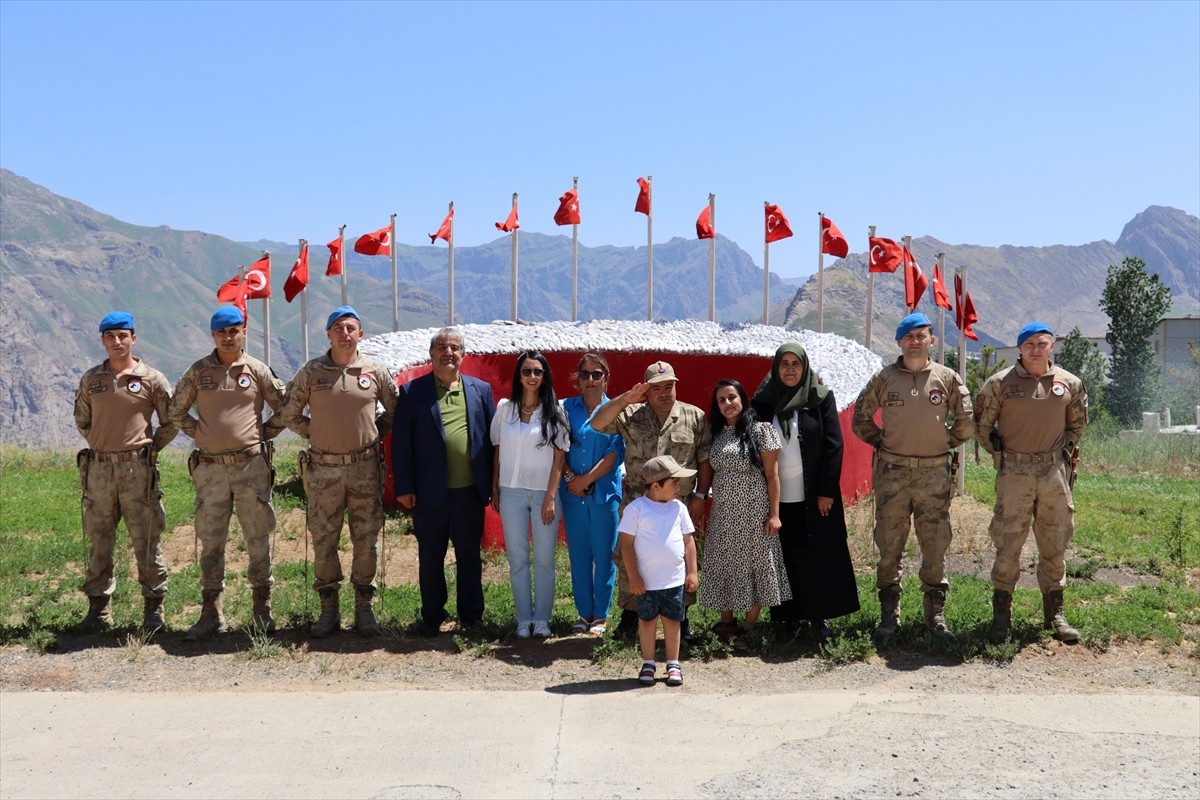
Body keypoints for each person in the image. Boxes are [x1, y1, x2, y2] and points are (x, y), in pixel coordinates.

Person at [852, 313, 974, 643]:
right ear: (899, 342)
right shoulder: (885, 378)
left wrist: (944, 441)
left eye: (922, 335)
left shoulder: (947, 378)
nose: (915, 340)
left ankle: (935, 616)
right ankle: (889, 616)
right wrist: (882, 441)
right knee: (889, 545)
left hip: (934, 474)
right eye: (909, 336)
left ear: (932, 340)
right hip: (892, 474)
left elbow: (967, 421)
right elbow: (860, 418)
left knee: (934, 545)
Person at [168, 305, 287, 639]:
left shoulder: (258, 370)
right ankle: (210, 613)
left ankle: (262, 609)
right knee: (211, 540)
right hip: (211, 470)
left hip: (251, 466)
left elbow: (285, 407)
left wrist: (264, 432)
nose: (228, 337)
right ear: (213, 336)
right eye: (221, 332)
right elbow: (175, 409)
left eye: (233, 330)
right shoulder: (199, 372)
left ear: (243, 331)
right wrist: (200, 433)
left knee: (257, 537)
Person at [280, 306, 398, 638]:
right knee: (324, 540)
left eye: (351, 328)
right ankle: (328, 610)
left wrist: (374, 432)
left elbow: (395, 409)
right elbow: (290, 413)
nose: (345, 333)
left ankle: (364, 608)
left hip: (364, 469)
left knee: (366, 540)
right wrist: (314, 434)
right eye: (338, 328)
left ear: (360, 334)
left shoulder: (374, 371)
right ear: (329, 334)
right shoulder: (312, 372)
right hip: (324, 471)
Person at [976, 321, 1088, 643]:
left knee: (1055, 543)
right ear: (1020, 348)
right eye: (1030, 344)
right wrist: (1004, 455)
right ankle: (1001, 616)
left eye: (1043, 343)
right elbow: (983, 426)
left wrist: (1057, 455)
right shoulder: (1000, 384)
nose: (1036, 349)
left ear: (1051, 346)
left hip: (1054, 474)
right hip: (1014, 473)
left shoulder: (1069, 383)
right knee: (1008, 543)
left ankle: (1055, 614)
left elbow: (1077, 425)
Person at [589, 360, 712, 642]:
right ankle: (631, 617)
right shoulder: (631, 414)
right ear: (646, 390)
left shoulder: (694, 417)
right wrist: (625, 399)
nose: (664, 392)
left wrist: (700, 495)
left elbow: (704, 459)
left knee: (677, 556)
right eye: (656, 388)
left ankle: (681, 619)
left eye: (669, 386)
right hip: (637, 503)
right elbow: (597, 423)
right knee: (630, 557)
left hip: (677, 503)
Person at [73, 311, 178, 633]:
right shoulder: (92, 380)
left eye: (122, 336)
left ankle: (153, 609)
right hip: (99, 470)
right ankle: (99, 611)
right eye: (110, 336)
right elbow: (82, 419)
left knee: (146, 539)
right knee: (99, 539)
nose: (116, 342)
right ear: (102, 340)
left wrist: (149, 448)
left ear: (133, 338)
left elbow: (170, 421)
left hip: (138, 471)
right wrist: (101, 443)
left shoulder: (152, 379)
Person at [751, 344, 860, 641]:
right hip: (775, 499)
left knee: (818, 555)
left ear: (805, 367)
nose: (789, 369)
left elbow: (833, 445)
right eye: (783, 363)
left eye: (795, 364)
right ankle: (787, 619)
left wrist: (826, 490)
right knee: (785, 557)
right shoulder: (763, 403)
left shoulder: (820, 399)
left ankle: (819, 616)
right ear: (776, 368)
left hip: (815, 497)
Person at [392, 327, 495, 638]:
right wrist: (405, 487)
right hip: (428, 493)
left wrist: (491, 484)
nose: (448, 353)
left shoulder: (480, 390)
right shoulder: (413, 392)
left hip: (470, 492)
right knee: (431, 556)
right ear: (431, 354)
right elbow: (402, 444)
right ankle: (432, 616)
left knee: (468, 556)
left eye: (454, 348)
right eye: (441, 347)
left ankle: (471, 616)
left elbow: (492, 441)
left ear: (462, 355)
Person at [700, 379, 789, 649]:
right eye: (721, 400)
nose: (727, 404)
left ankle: (748, 627)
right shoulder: (715, 433)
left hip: (754, 511)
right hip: (723, 513)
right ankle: (727, 623)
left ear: (743, 398)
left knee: (757, 563)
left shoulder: (761, 430)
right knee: (721, 561)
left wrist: (775, 514)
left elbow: (773, 476)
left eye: (731, 397)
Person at [490, 351, 570, 638]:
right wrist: (495, 488)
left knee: (545, 560)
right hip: (510, 493)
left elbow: (559, 458)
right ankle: (524, 619)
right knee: (518, 558)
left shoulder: (555, 412)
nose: (532, 377)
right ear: (518, 376)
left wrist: (550, 497)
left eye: (538, 371)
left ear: (545, 376)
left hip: (542, 495)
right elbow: (498, 450)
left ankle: (543, 619)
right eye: (527, 371)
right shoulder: (505, 410)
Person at [618, 455, 699, 687]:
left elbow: (689, 542)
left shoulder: (679, 508)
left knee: (673, 621)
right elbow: (626, 545)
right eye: (674, 482)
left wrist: (691, 572)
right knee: (647, 621)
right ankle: (649, 663)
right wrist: (634, 576)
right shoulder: (636, 509)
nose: (678, 486)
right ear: (655, 486)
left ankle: (673, 663)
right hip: (646, 584)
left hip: (673, 581)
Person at [559, 353, 625, 636]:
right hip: (572, 494)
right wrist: (572, 478)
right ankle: (584, 613)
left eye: (596, 374)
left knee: (604, 555)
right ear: (578, 379)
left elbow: (615, 451)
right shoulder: (564, 408)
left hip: (604, 494)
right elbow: (557, 447)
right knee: (579, 555)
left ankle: (601, 615)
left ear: (606, 379)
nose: (590, 380)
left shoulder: (616, 410)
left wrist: (588, 478)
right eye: (585, 374)